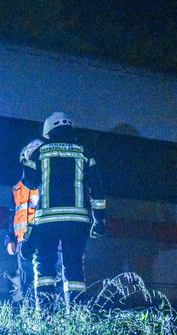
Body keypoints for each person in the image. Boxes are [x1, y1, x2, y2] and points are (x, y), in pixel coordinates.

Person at [21, 112, 107, 304]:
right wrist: (99, 219)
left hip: (47, 221)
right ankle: (77, 313)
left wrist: (27, 161)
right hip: (77, 221)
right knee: (74, 265)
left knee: (45, 267)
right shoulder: (84, 152)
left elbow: (29, 183)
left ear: (48, 131)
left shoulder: (40, 152)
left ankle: (45, 314)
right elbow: (98, 188)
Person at [4, 139, 42, 302]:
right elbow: (12, 216)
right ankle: (30, 316)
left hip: (43, 241)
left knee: (44, 281)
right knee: (27, 284)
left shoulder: (45, 185)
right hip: (22, 244)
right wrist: (9, 239)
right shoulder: (16, 189)